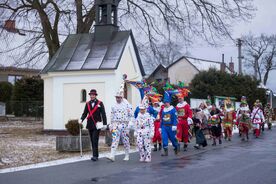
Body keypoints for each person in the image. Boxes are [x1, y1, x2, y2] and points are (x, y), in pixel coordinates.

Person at [107, 83, 133, 162]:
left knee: (125, 141)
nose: (117, 99)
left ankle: (127, 155)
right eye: (116, 97)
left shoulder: (127, 105)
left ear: (121, 98)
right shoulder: (113, 106)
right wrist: (111, 126)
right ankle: (112, 155)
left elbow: (131, 115)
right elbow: (111, 116)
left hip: (124, 125)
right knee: (114, 139)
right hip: (116, 125)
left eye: (119, 97)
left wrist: (129, 126)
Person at [79, 89, 107, 161]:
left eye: (93, 95)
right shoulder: (87, 103)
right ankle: (95, 154)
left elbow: (103, 114)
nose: (92, 96)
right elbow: (85, 113)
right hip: (90, 124)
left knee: (95, 139)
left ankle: (95, 156)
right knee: (92, 139)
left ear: (95, 95)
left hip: (97, 124)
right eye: (91, 95)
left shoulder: (100, 103)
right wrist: (81, 119)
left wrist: (105, 124)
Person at [160, 90, 180, 156]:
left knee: (173, 139)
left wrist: (174, 125)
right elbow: (161, 119)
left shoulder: (173, 109)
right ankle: (165, 151)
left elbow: (175, 118)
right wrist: (160, 127)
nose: (165, 103)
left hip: (171, 126)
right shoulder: (163, 110)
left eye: (166, 102)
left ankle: (176, 147)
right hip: (164, 127)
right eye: (164, 102)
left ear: (169, 102)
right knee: (164, 138)